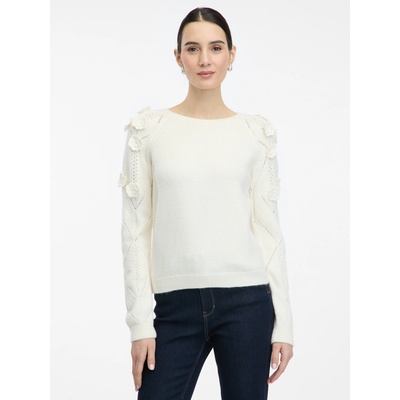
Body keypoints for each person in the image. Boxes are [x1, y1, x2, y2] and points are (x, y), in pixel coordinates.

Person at [119, 7, 294, 400]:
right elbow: (135, 232)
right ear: (178, 56)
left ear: (231, 54)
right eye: (192, 48)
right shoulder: (148, 132)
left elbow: (269, 231)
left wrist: (284, 323)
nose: (204, 59)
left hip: (248, 302)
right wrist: (139, 324)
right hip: (174, 307)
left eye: (215, 48)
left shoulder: (255, 133)